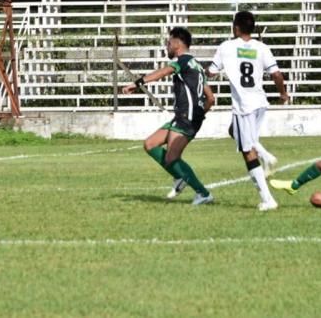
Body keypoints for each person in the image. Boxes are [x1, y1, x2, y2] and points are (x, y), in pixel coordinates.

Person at [122, 27, 216, 205]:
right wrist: (198, 115)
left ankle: (203, 194)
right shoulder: (196, 65)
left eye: (168, 42)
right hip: (185, 116)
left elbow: (163, 72)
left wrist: (138, 83)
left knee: (172, 158)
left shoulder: (183, 61)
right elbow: (211, 98)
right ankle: (179, 177)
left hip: (185, 117)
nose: (167, 46)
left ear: (177, 44)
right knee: (150, 144)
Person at [207, 11, 289, 211]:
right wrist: (283, 94)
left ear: (235, 27)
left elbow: (211, 71)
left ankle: (267, 199)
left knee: (247, 151)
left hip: (243, 106)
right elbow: (277, 74)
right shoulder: (262, 47)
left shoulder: (226, 47)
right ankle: (266, 156)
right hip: (260, 102)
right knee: (233, 132)